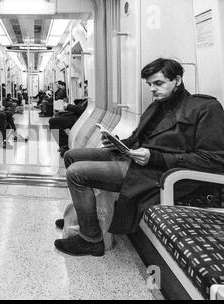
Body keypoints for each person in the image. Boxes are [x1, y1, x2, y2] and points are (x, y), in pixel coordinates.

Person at [54, 58, 224, 257]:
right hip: (136, 158)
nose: (153, 89)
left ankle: (90, 239)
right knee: (71, 156)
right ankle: (83, 216)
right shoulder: (156, 106)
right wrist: (117, 143)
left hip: (157, 171)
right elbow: (137, 138)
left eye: (158, 83)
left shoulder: (205, 108)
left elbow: (214, 159)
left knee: (76, 173)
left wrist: (155, 158)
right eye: (150, 84)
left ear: (177, 80)